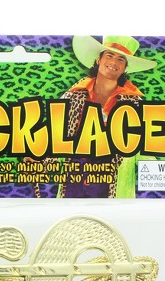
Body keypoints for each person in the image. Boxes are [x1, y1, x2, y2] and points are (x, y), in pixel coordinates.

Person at [58, 35, 157, 198]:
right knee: (70, 212)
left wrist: (157, 172)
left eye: (120, 59)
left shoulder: (135, 104)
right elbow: (54, 136)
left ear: (125, 68)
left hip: (113, 175)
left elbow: (145, 145)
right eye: (109, 55)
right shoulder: (72, 96)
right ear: (99, 59)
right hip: (75, 174)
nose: (113, 62)